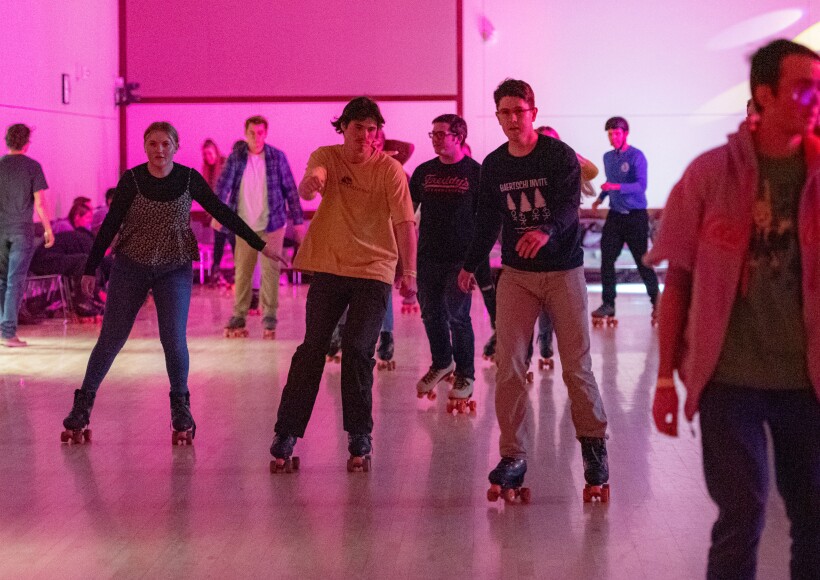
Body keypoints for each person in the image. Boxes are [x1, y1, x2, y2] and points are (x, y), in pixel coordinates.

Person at [648, 39, 820, 579]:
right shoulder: (709, 174)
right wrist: (664, 380)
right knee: (742, 514)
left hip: (809, 382)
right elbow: (678, 281)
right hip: (729, 379)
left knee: (815, 518)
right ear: (764, 94)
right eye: (803, 89)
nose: (815, 100)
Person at [60, 122, 281, 444]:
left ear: (176, 147)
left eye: (165, 143)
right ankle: (82, 407)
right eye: (153, 143)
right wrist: (90, 268)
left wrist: (260, 245)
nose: (159, 149)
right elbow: (110, 224)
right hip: (130, 266)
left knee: (173, 339)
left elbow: (222, 212)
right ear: (145, 146)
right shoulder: (132, 180)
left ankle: (181, 408)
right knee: (111, 338)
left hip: (174, 268)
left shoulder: (189, 179)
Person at [458, 79, 609, 500]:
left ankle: (594, 448)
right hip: (517, 275)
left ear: (533, 113)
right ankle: (513, 455)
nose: (512, 119)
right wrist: (469, 265)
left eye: (519, 111)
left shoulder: (558, 155)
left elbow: (568, 207)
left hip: (563, 271)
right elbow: (487, 220)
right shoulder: (494, 165)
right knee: (509, 366)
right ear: (498, 116)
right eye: (504, 112)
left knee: (576, 367)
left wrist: (545, 231)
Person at [270, 97, 417, 472]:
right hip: (330, 265)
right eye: (358, 128)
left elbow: (405, 223)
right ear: (344, 128)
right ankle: (286, 432)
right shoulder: (327, 156)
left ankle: (359, 434)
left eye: (372, 129)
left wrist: (410, 273)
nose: (365, 136)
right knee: (312, 348)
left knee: (357, 350)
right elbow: (313, 179)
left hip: (373, 269)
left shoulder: (389, 170)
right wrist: (312, 183)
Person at [410, 114, 481, 409]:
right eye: (433, 134)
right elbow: (407, 213)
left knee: (458, 316)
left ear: (458, 137)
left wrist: (474, 265)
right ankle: (442, 362)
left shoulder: (475, 173)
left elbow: (486, 220)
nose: (436, 139)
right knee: (430, 314)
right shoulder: (424, 172)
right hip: (428, 256)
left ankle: (465, 374)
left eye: (441, 134)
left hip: (460, 259)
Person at [216, 116, 305, 339]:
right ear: (245, 133)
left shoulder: (277, 157)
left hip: (272, 224)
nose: (256, 137)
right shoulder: (236, 158)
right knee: (243, 271)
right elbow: (222, 186)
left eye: (260, 133)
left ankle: (270, 316)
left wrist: (298, 222)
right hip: (243, 224)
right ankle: (239, 315)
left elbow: (291, 190)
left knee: (270, 271)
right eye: (252, 133)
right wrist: (217, 213)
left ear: (266, 134)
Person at [531, 125, 599, 366]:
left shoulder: (566, 161)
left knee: (567, 295)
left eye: (553, 141)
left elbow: (592, 171)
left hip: (565, 234)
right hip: (541, 232)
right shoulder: (531, 165)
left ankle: (568, 345)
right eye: (544, 140)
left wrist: (570, 153)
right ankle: (545, 336)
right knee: (544, 292)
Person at [590, 116, 659, 324]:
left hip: (635, 215)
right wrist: (601, 197)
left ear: (625, 134)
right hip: (615, 215)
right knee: (607, 259)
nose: (613, 138)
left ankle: (657, 302)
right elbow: (610, 182)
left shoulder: (637, 156)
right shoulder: (608, 157)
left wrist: (616, 187)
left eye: (617, 133)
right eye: (610, 134)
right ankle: (608, 304)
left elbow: (641, 185)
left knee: (642, 261)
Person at [0, 123, 54, 347]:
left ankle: (4, 328)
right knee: (15, 282)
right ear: (26, 143)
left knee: (2, 281)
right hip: (22, 230)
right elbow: (39, 202)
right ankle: (8, 333)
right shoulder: (32, 166)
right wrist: (48, 228)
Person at [200, 139, 233, 283]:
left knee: (232, 240)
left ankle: (237, 272)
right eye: (205, 154)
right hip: (216, 213)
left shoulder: (225, 164)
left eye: (210, 153)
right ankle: (216, 271)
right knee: (219, 241)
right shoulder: (207, 170)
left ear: (216, 152)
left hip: (229, 210)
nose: (208, 157)